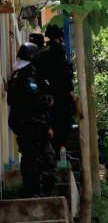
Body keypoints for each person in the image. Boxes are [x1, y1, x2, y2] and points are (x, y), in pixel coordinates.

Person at [7, 42, 57, 197]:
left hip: (21, 124)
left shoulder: (17, 75)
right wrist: (45, 123)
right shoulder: (27, 78)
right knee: (44, 160)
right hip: (32, 125)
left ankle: (31, 191)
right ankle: (39, 194)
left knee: (30, 158)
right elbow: (35, 104)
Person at [34, 24, 75, 153]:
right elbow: (65, 74)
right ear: (60, 37)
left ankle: (55, 152)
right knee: (63, 126)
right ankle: (60, 153)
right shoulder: (59, 51)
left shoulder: (42, 52)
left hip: (46, 95)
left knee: (51, 125)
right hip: (61, 95)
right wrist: (71, 92)